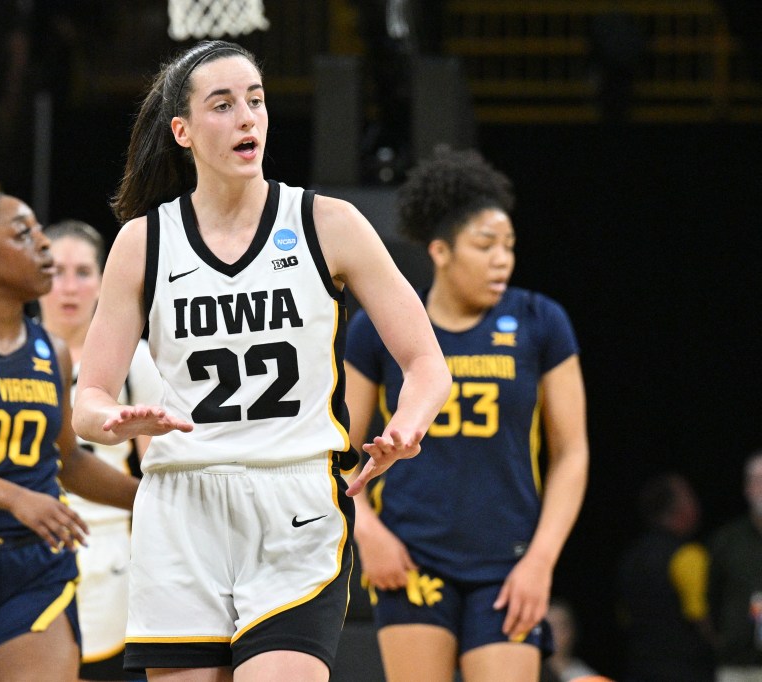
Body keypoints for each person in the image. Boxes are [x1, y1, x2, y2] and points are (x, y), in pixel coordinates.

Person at [71, 39, 451, 682]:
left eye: (256, 100)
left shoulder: (327, 223)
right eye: (223, 105)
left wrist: (406, 428)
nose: (247, 117)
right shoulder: (143, 242)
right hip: (179, 507)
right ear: (183, 131)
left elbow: (426, 365)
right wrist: (115, 421)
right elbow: (88, 404)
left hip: (294, 501)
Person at [344, 145, 589, 681]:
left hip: (508, 562)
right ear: (440, 251)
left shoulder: (541, 322)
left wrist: (541, 562)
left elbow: (572, 453)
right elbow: (336, 445)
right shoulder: (379, 327)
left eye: (509, 245)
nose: (502, 258)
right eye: (485, 245)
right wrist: (368, 532)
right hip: (410, 558)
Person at [0, 192, 142, 682]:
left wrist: (153, 496)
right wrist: (16, 498)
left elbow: (67, 461)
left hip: (36, 565)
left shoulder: (52, 352)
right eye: (24, 234)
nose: (44, 245)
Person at [38, 219, 161, 682]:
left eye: (83, 272)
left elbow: (158, 468)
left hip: (111, 544)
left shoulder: (137, 358)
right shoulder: (9, 352)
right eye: (55, 270)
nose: (68, 286)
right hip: (25, 540)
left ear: (104, 280)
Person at [616, 472, 714, 682]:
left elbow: (625, 617)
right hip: (685, 672)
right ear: (679, 509)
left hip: (638, 670)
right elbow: (702, 618)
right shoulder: (688, 556)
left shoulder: (631, 558)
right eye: (690, 497)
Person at [708, 450, 762, 681]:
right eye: (757, 481)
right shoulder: (727, 540)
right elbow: (709, 595)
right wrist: (719, 640)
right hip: (737, 665)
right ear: (746, 488)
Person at [543, 599, 598, 682]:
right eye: (548, 626)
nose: (553, 633)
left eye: (560, 626)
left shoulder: (585, 676)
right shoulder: (528, 670)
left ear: (572, 631)